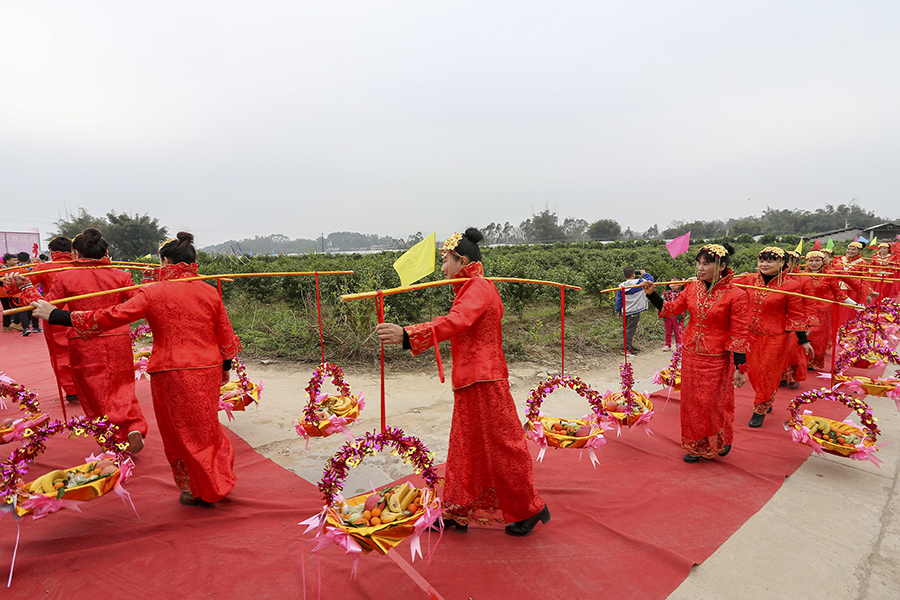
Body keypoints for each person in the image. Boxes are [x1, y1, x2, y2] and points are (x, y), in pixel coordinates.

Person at [31, 232, 241, 507]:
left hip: (172, 370)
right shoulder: (208, 290)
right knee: (206, 427)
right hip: (209, 367)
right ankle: (217, 479)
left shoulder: (152, 292)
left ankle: (207, 488)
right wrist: (224, 367)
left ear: (165, 260)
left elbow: (113, 315)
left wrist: (59, 315)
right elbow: (226, 336)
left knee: (183, 432)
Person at [375, 228, 549, 536]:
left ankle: (529, 508)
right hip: (472, 381)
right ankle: (456, 511)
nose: (442, 269)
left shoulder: (477, 288)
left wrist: (407, 335)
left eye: (446, 261)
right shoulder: (472, 288)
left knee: (504, 447)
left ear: (462, 260)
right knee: (464, 449)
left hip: (487, 380)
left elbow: (456, 321)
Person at [7, 229, 148, 448]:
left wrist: (26, 288)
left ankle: (111, 435)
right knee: (123, 385)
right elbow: (138, 301)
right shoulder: (121, 275)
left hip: (84, 339)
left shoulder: (65, 277)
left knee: (95, 391)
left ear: (75, 253)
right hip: (117, 336)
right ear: (105, 252)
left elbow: (47, 306)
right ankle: (133, 426)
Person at [641, 243, 750, 462]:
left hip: (718, 358)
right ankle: (695, 444)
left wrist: (740, 366)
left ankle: (720, 439)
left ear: (722, 266)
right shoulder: (691, 288)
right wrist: (652, 295)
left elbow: (739, 332)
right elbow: (672, 309)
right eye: (698, 263)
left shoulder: (737, 295)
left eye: (706, 264)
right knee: (692, 402)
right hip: (692, 354)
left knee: (714, 403)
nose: (700, 269)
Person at [733, 247, 812, 428]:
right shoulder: (748, 280)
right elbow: (724, 284)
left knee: (768, 373)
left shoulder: (791, 286)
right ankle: (766, 397)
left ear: (782, 264)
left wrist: (803, 340)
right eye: (762, 260)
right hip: (751, 335)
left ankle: (760, 408)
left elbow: (796, 315)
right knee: (753, 373)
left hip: (776, 338)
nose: (764, 264)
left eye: (769, 261)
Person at [2, 237, 78, 400]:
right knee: (85, 348)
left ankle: (72, 390)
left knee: (60, 354)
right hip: (81, 311)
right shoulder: (80, 266)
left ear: (52, 252)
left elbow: (24, 283)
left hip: (53, 311)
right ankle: (89, 386)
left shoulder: (44, 267)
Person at [801, 250, 859, 371]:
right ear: (806, 262)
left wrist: (854, 304)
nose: (814, 263)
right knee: (802, 334)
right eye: (811, 260)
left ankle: (812, 361)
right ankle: (800, 359)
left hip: (822, 309)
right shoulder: (800, 275)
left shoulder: (829, 275)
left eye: (817, 260)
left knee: (817, 336)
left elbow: (839, 294)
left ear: (823, 262)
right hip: (803, 309)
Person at [615, 266, 655, 356]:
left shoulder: (621, 286)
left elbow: (619, 300)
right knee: (630, 330)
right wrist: (644, 273)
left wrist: (618, 310)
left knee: (627, 329)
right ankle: (626, 349)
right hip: (634, 311)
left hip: (626, 311)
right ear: (633, 274)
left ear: (623, 275)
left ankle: (628, 345)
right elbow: (651, 279)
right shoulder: (640, 283)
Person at [661, 283, 684, 351]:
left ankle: (679, 346)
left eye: (675, 283)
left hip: (678, 316)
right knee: (668, 332)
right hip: (668, 315)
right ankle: (667, 345)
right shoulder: (666, 294)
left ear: (680, 284)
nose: (673, 285)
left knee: (678, 332)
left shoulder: (682, 293)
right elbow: (662, 302)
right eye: (671, 283)